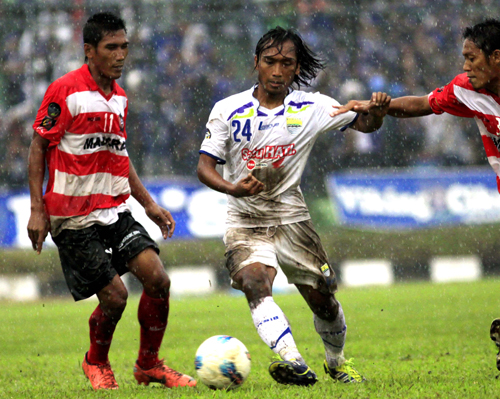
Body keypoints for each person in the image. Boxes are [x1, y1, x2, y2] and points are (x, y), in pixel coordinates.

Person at [332, 18, 500, 372]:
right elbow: (423, 104)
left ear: (496, 58)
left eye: (471, 58)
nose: (465, 66)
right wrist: (379, 106)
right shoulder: (466, 91)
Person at [196, 26, 390, 385]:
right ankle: (295, 362)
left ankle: (336, 362)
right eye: (270, 61)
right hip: (245, 219)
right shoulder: (227, 110)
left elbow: (364, 123)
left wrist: (376, 112)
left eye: (286, 63)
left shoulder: (312, 106)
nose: (277, 71)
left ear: (296, 68)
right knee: (255, 281)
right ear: (256, 63)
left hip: (292, 218)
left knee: (324, 301)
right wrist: (232, 188)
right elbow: (205, 166)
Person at [27, 12, 196, 390]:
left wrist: (149, 204)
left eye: (124, 47)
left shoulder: (119, 97)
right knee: (116, 297)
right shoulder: (65, 91)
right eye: (111, 48)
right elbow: (38, 145)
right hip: (71, 217)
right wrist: (38, 209)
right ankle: (96, 362)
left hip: (113, 209)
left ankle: (148, 366)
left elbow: (118, 155)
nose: (120, 55)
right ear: (89, 51)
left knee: (157, 279)